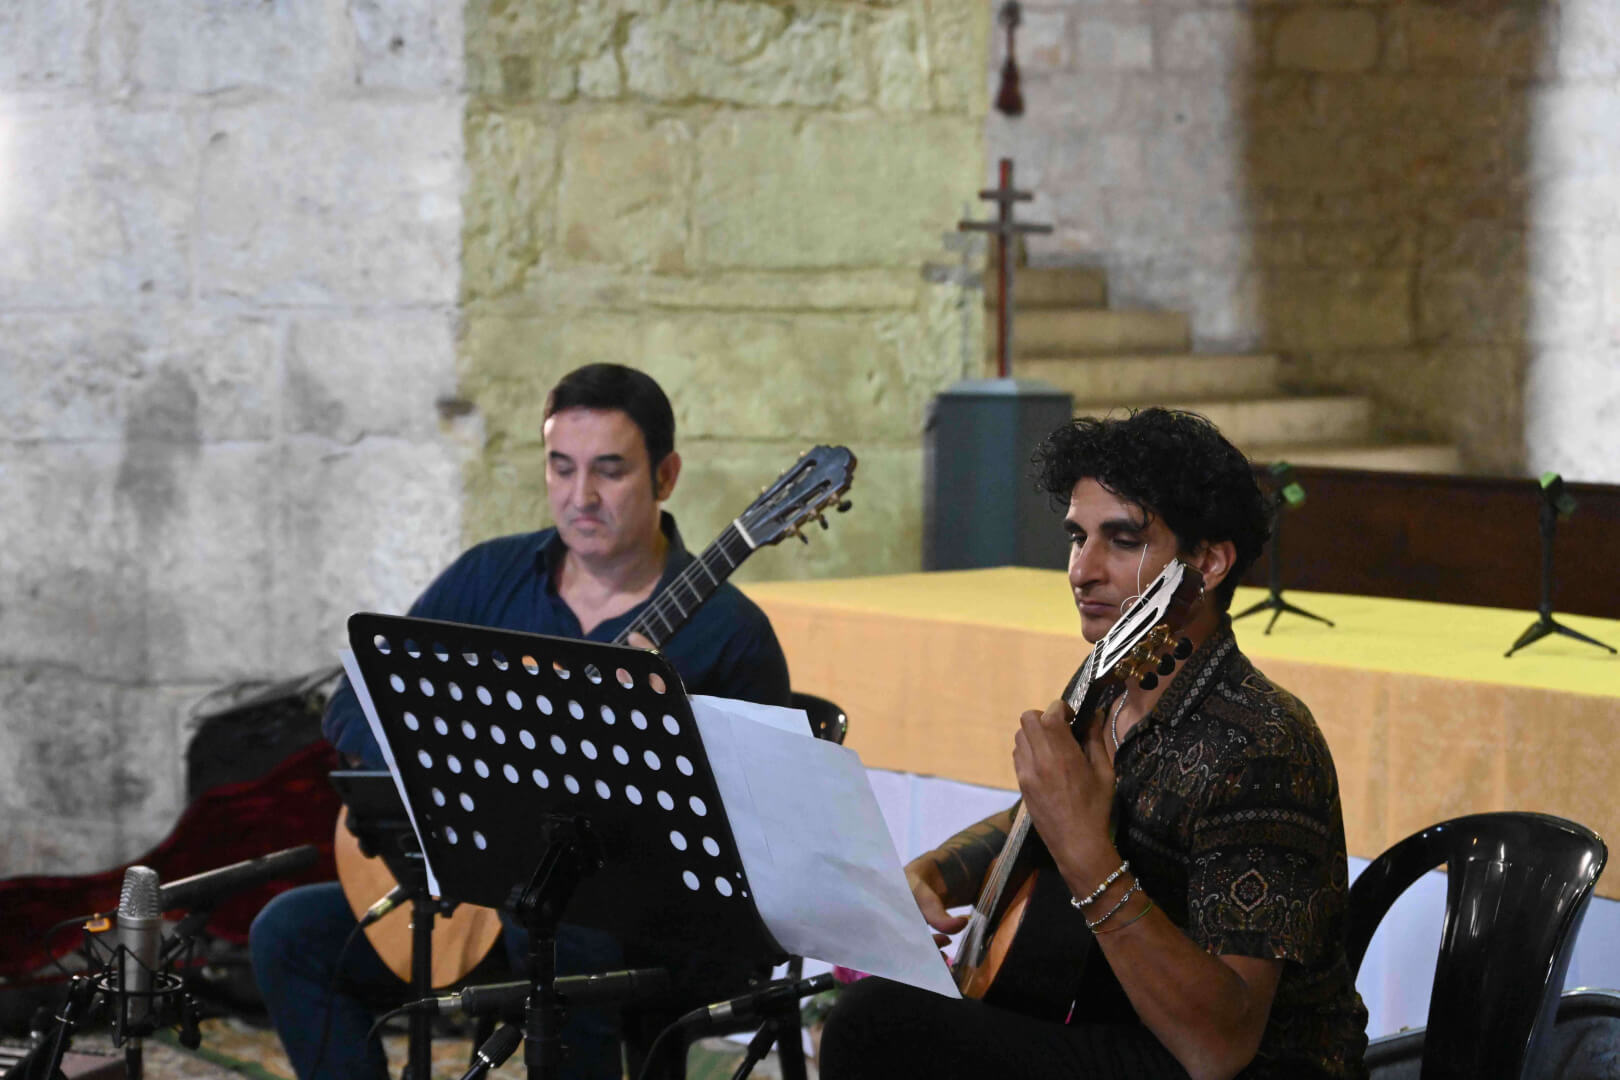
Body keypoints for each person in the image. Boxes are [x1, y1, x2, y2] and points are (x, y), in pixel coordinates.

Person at [251, 363, 792, 1080]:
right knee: (289, 934)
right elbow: (356, 701)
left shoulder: (730, 634)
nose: (581, 496)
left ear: (666, 476)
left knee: (572, 931)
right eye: (561, 468)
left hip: (649, 924)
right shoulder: (489, 578)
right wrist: (434, 786)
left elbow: (766, 826)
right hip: (477, 901)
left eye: (610, 471)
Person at [819, 408, 1368, 1080]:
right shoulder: (1107, 681)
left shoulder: (1260, 744)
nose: (1083, 570)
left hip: (1246, 1068)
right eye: (1078, 538)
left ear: (1208, 562)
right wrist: (935, 871)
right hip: (1114, 1025)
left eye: (1123, 541)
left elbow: (1220, 1047)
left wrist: (1086, 855)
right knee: (883, 1018)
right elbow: (1043, 819)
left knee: (873, 1029)